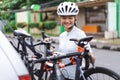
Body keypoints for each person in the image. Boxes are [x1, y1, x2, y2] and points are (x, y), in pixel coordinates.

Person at [57, 1, 95, 79]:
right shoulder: (62, 36)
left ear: (75, 18)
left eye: (70, 18)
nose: (67, 21)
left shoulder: (80, 34)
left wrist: (88, 54)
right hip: (63, 74)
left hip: (78, 75)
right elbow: (61, 58)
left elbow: (92, 59)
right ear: (60, 18)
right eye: (64, 18)